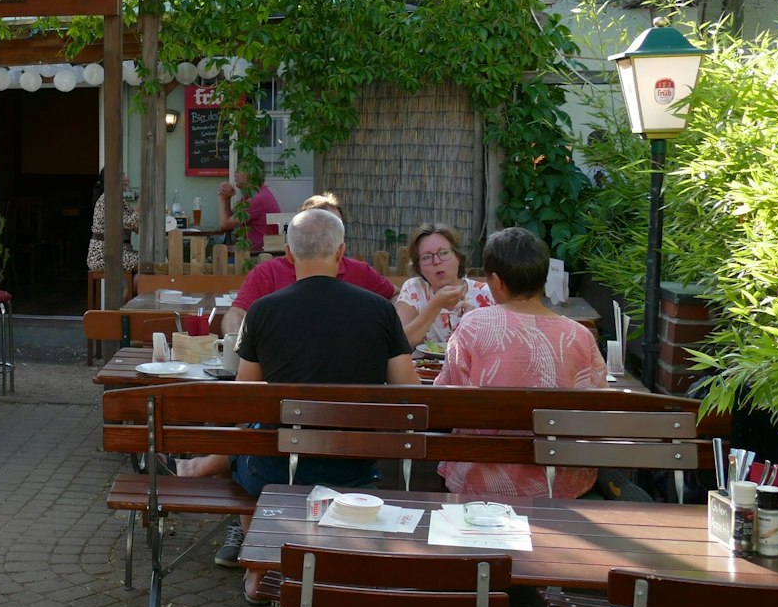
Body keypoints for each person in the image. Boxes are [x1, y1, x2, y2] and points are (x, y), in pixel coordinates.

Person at [200, 208, 419, 579]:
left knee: (241, 448)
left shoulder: (263, 312)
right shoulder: (380, 310)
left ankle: (261, 563)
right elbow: (410, 394)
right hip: (355, 466)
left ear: (288, 254)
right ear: (341, 252)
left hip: (278, 467)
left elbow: (245, 398)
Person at [434, 227, 607, 498]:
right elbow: (597, 412)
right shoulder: (579, 336)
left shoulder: (474, 325)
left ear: (497, 282)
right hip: (559, 483)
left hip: (482, 478)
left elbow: (445, 400)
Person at [220, 193, 395, 338]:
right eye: (319, 226)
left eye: (334, 226)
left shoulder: (358, 271)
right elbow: (237, 313)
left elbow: (396, 296)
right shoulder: (268, 272)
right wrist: (236, 343)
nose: (327, 233)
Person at [393, 223, 495, 349]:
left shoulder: (486, 294)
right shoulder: (414, 289)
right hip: (422, 367)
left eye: (444, 252)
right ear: (418, 267)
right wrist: (435, 305)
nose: (437, 261)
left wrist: (471, 322)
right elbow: (398, 344)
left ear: (458, 257)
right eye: (426, 257)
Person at [87, 170, 140, 276]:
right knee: (148, 265)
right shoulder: (108, 199)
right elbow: (130, 223)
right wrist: (142, 203)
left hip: (121, 253)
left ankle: (132, 291)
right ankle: (132, 291)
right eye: (121, 175)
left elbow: (136, 226)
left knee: (153, 260)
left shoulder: (120, 200)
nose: (126, 179)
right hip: (103, 256)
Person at [212, 170, 280, 250]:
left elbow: (224, 225)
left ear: (249, 175)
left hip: (257, 255)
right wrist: (227, 199)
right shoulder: (255, 195)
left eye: (238, 171)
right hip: (254, 250)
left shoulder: (257, 199)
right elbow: (230, 222)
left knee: (217, 253)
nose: (235, 174)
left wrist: (222, 197)